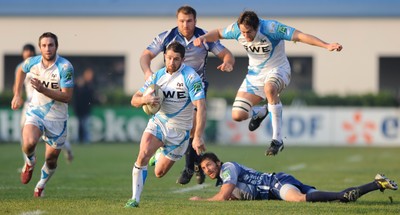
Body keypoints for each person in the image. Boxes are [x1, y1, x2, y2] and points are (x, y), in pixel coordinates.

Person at [194, 11, 343, 156]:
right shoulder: (236, 29)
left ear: (257, 26)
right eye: (243, 33)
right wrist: (204, 38)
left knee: (270, 88)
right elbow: (218, 33)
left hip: (279, 69)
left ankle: (277, 140)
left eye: (249, 32)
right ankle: (260, 112)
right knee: (238, 115)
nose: (245, 36)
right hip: (255, 75)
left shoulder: (272, 28)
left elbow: (300, 36)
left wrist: (326, 45)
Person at [141, 5, 234, 185]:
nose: (185, 24)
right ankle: (180, 159)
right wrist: (147, 73)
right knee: (169, 122)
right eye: (182, 21)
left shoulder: (204, 37)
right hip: (170, 86)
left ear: (195, 21)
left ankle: (190, 168)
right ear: (177, 21)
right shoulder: (167, 36)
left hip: (195, 86)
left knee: (192, 126)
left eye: (189, 21)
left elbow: (227, 54)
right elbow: (145, 56)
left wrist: (228, 63)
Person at [125, 41, 207, 208]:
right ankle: (135, 199)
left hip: (180, 132)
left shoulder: (191, 77)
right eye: (169, 58)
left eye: (176, 59)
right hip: (159, 123)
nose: (171, 62)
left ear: (182, 60)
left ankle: (159, 154)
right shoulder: (157, 76)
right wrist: (144, 100)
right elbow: (134, 99)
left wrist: (197, 136)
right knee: (142, 155)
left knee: (159, 173)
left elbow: (201, 107)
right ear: (164, 57)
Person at [11, 32, 74, 197]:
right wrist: (17, 94)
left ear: (56, 47)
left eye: (51, 45)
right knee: (29, 142)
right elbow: (20, 71)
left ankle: (40, 184)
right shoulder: (33, 62)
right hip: (36, 111)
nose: (47, 48)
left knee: (51, 160)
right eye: (44, 45)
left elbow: (67, 96)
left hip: (57, 118)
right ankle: (30, 162)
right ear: (40, 47)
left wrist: (43, 89)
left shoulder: (65, 67)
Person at [189, 152, 398, 202]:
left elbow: (225, 193)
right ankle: (377, 182)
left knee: (299, 201)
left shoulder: (227, 168)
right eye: (204, 168)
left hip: (276, 183)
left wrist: (203, 202)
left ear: (217, 163)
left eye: (209, 165)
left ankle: (376, 182)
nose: (207, 169)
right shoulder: (224, 175)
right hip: (279, 183)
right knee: (339, 199)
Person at [14, 43, 74, 164]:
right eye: (25, 56)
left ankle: (66, 148)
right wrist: (17, 95)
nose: (27, 58)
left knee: (53, 135)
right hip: (30, 105)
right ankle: (28, 162)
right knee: (25, 133)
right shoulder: (23, 67)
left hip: (46, 103)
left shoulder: (39, 65)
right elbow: (17, 84)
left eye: (30, 55)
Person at [73, 67, 95, 144]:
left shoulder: (90, 84)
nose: (90, 76)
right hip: (79, 109)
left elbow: (91, 96)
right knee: (79, 125)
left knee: (85, 125)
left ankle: (85, 139)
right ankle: (79, 139)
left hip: (86, 109)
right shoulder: (80, 83)